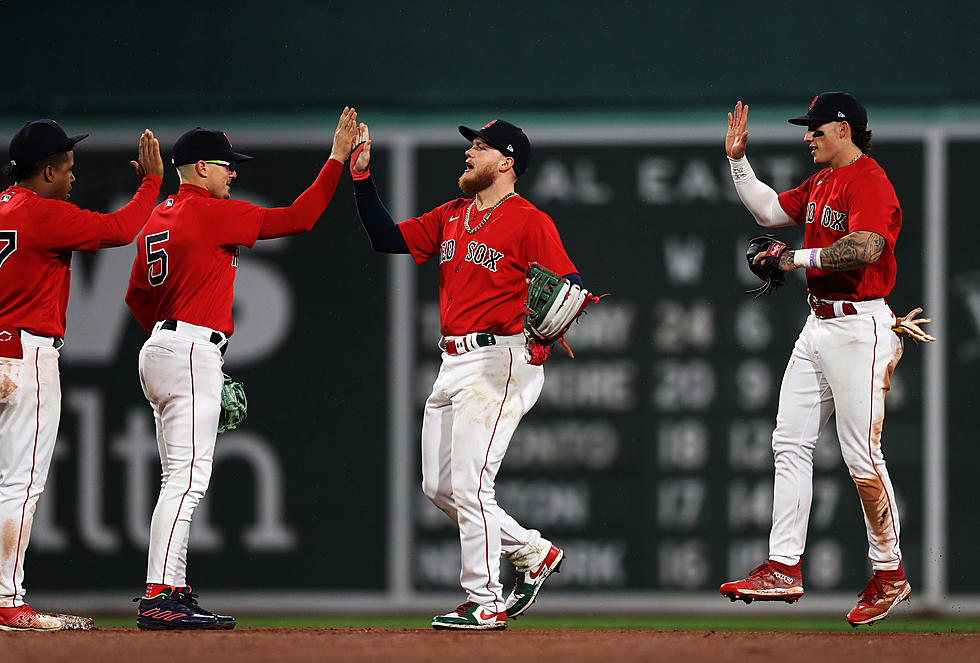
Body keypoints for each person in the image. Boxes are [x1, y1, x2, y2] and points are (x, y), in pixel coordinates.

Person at [350, 118, 588, 630]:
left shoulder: (530, 221)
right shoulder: (452, 215)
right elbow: (387, 239)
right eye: (470, 146)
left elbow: (571, 287)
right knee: (438, 486)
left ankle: (485, 599)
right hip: (452, 360)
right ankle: (532, 551)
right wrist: (362, 180)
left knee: (471, 485)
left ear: (507, 163)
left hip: (500, 359)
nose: (469, 153)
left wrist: (546, 332)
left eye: (480, 147)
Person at [126, 108, 357, 630]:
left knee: (176, 477)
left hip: (162, 346)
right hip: (188, 351)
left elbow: (137, 298)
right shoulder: (211, 213)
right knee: (186, 481)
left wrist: (174, 342)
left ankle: (175, 588)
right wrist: (337, 159)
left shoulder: (158, 216)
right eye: (226, 165)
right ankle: (160, 594)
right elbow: (300, 217)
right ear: (201, 168)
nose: (234, 173)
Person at [719, 92, 926, 626]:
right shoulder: (821, 182)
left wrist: (794, 258)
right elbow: (768, 209)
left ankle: (890, 572)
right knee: (788, 442)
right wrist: (737, 160)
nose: (807, 135)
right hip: (819, 324)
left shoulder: (869, 180)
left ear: (843, 128)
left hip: (861, 326)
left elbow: (867, 248)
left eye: (815, 128)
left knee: (862, 457)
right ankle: (784, 566)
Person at [0, 120, 163, 631]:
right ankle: (7, 599)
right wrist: (152, 184)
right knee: (19, 483)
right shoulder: (42, 213)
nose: (73, 176)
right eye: (67, 167)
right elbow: (118, 231)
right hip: (25, 357)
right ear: (46, 170)